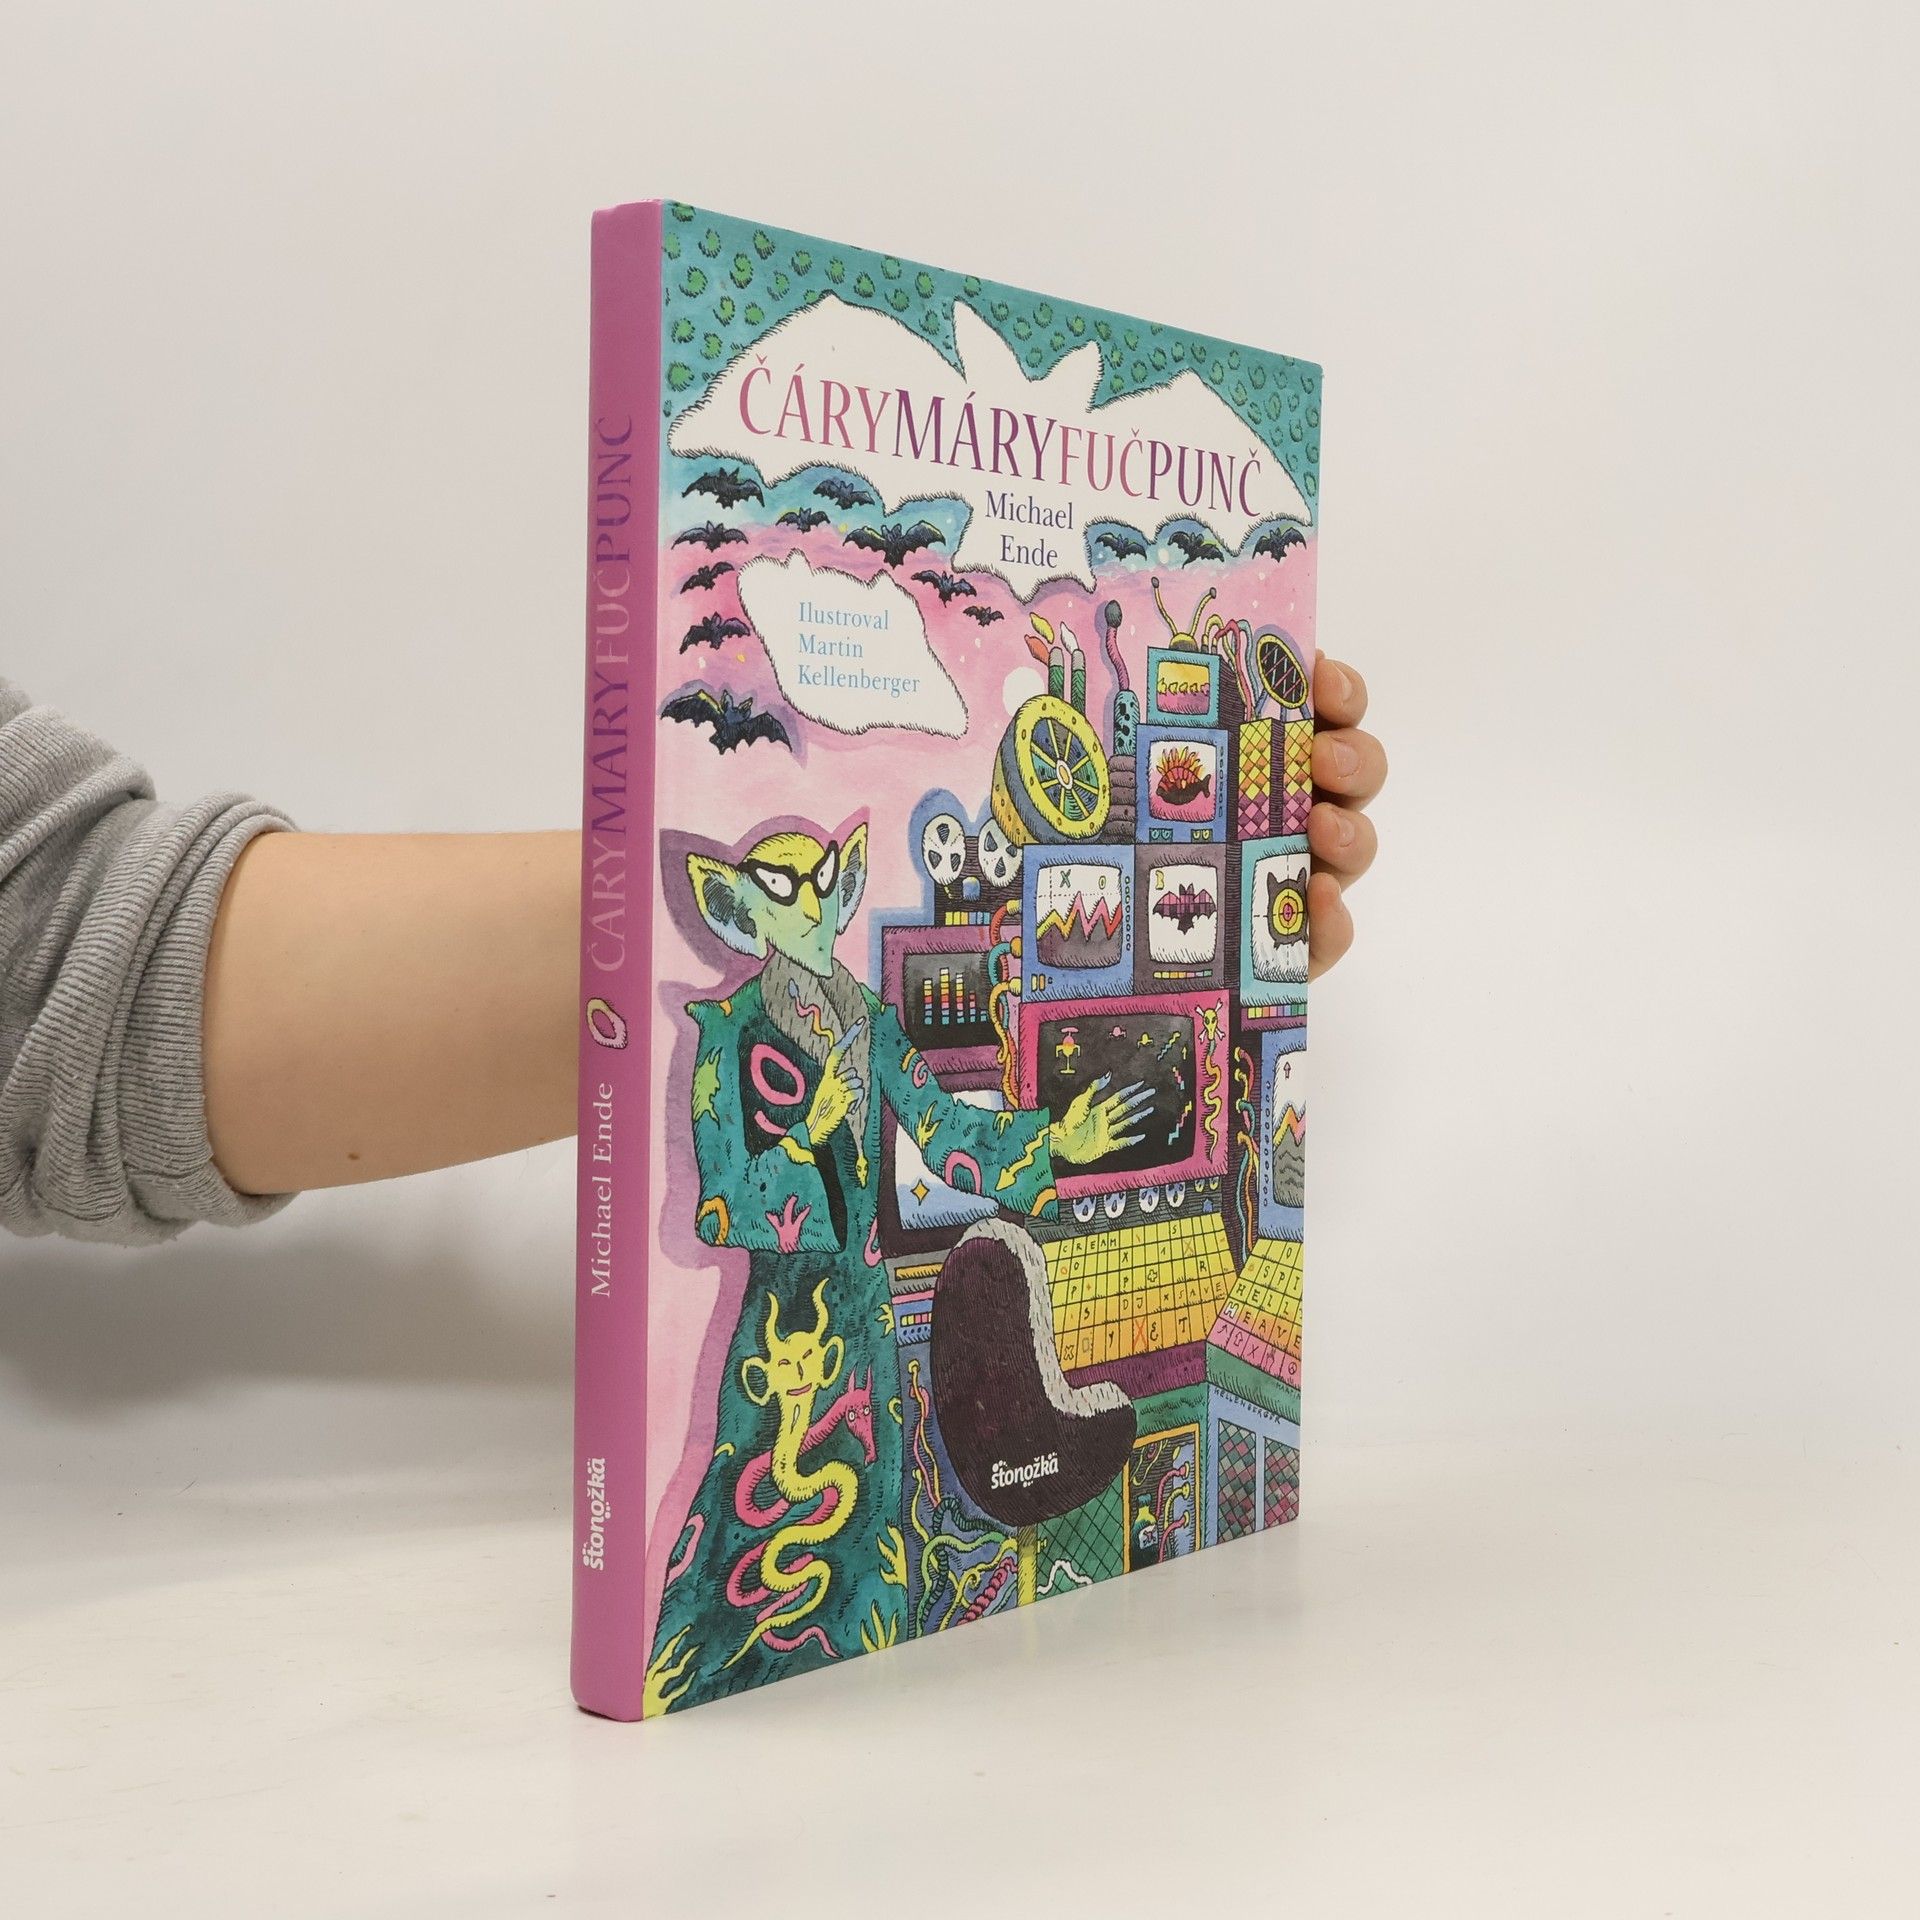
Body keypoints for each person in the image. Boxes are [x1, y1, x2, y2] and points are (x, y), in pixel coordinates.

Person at [0, 664, 1385, 1245]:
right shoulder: (713, 1036)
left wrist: (1058, 1129)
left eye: (828, 884)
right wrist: (807, 1144)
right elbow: (717, 1205)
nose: (811, 906)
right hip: (781, 1362)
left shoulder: (866, 1014)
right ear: (726, 906)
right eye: (779, 890)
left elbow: (72, 956)